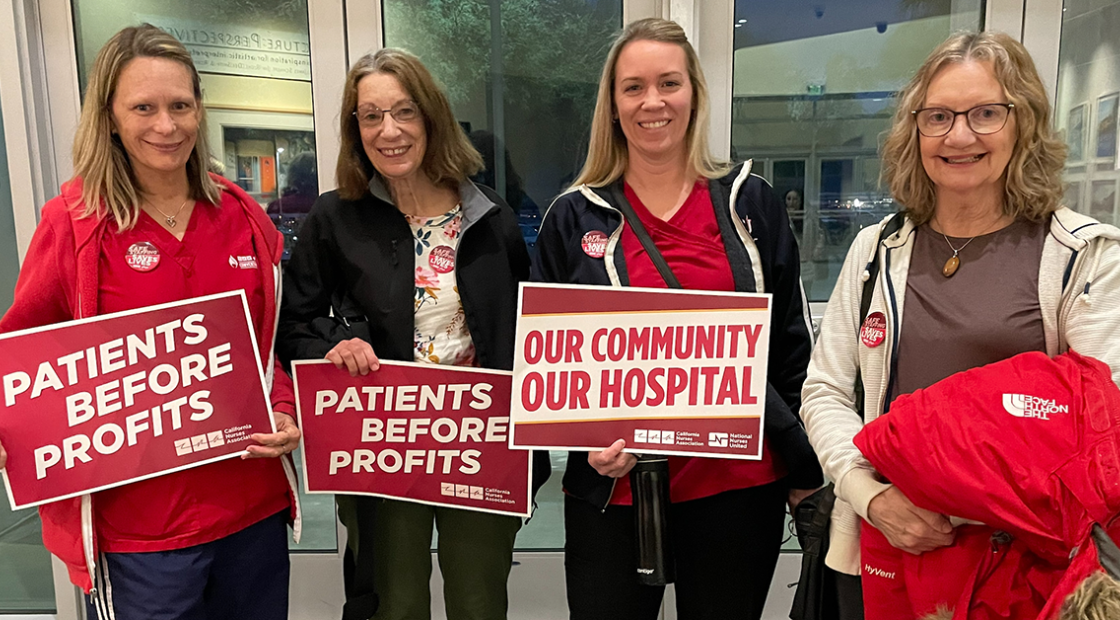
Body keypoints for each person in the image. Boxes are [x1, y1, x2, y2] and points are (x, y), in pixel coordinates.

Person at [800, 31, 1120, 620]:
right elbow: (825, 390)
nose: (960, 136)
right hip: (887, 542)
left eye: (985, 114)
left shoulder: (1083, 257)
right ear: (915, 131)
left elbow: (1099, 430)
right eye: (939, 117)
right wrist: (872, 498)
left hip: (1024, 568)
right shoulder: (876, 251)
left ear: (1023, 124)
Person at [0, 24, 301, 619]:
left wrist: (285, 407)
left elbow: (266, 346)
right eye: (143, 108)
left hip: (251, 505)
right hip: (138, 530)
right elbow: (22, 354)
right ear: (110, 118)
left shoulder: (242, 216)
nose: (167, 125)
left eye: (180, 105)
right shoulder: (74, 223)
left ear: (199, 110)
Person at [533, 18, 823, 620]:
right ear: (613, 104)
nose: (653, 102)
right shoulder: (572, 217)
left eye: (669, 83)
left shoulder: (750, 203)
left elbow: (791, 344)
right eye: (633, 87)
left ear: (694, 92)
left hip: (737, 488)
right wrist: (585, 442)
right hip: (613, 490)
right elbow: (546, 362)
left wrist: (804, 463)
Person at [276, 48, 548, 620]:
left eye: (404, 111)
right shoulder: (334, 219)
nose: (389, 130)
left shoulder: (490, 218)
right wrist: (333, 346)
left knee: (479, 602)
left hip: (478, 442)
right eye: (371, 116)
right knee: (392, 604)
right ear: (355, 129)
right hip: (381, 443)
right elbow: (293, 325)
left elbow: (526, 335)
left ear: (432, 117)